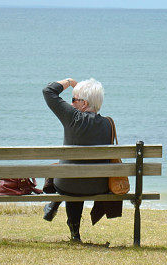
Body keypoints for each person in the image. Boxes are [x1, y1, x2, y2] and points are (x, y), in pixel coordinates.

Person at [42, 77, 119, 242]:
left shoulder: (73, 118)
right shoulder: (108, 124)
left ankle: (73, 231)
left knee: (68, 175)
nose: (71, 104)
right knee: (77, 174)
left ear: (84, 104)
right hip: (98, 185)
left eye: (73, 100)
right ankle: (54, 205)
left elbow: (48, 91)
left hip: (68, 185)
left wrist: (69, 82)